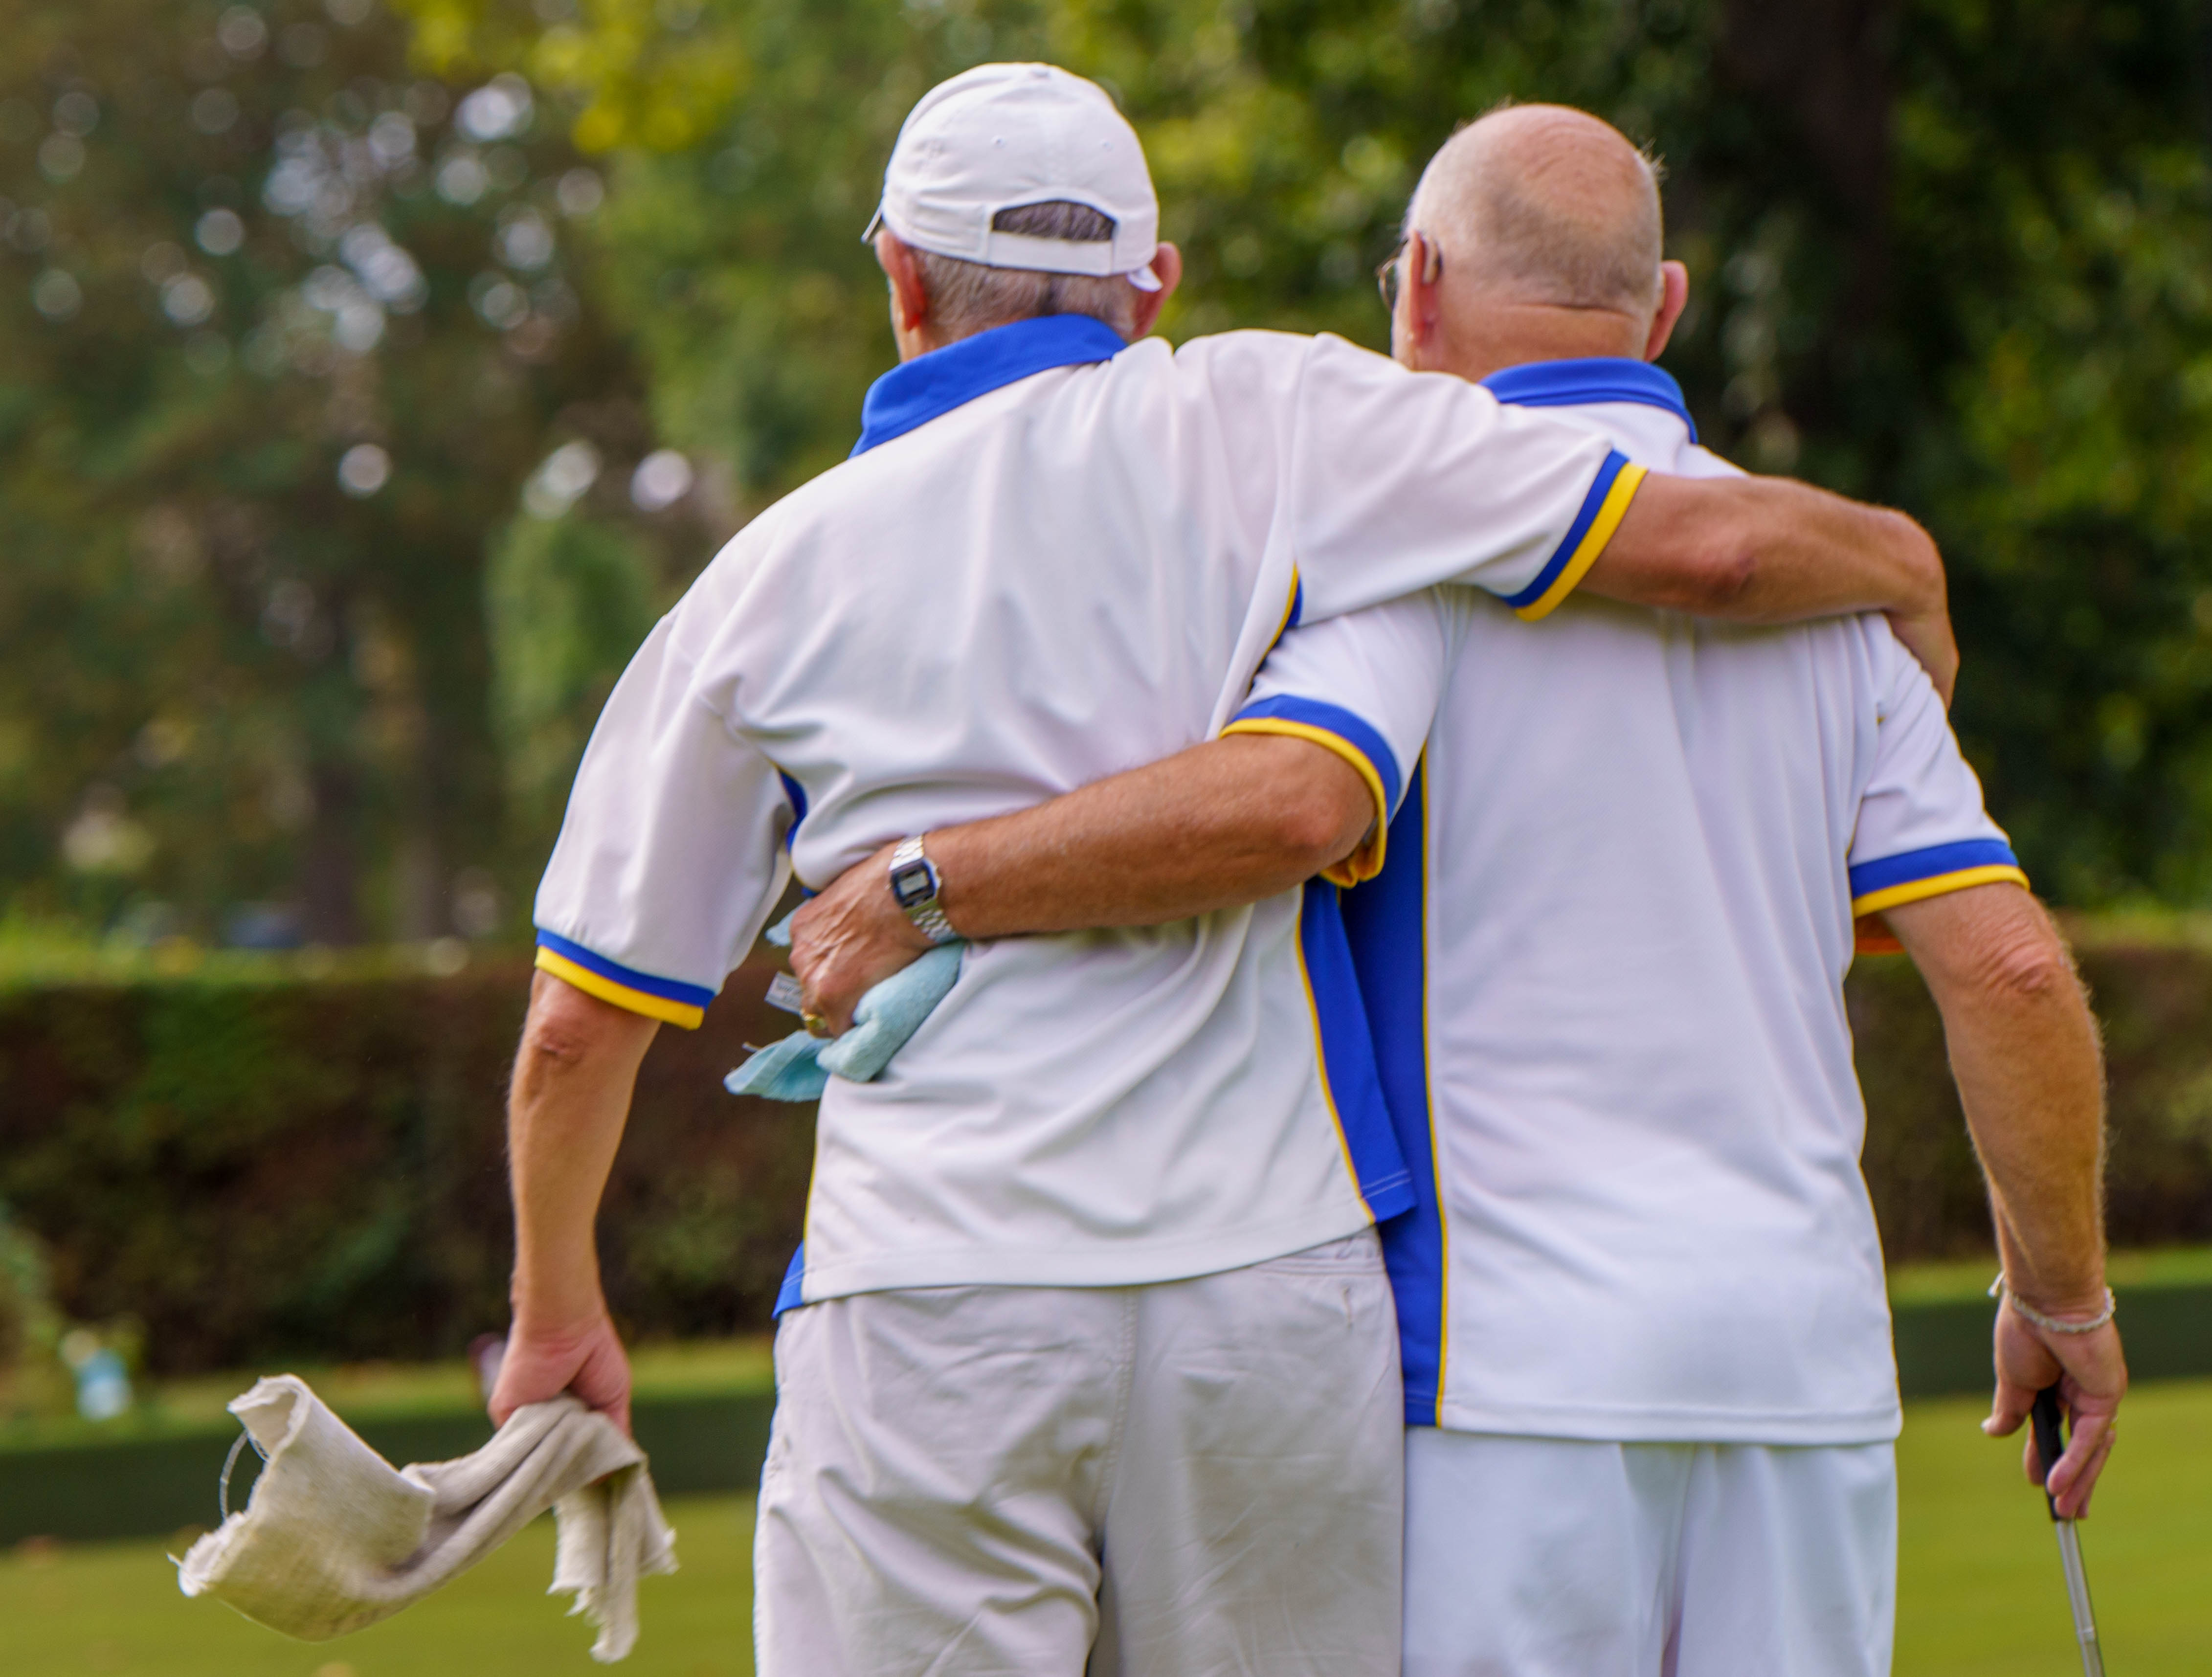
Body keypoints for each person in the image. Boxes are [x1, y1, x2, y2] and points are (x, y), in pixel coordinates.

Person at [495, 66, 1958, 1677]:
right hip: (1270, 1290)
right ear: (1152, 282)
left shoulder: (757, 581)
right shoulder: (1278, 413)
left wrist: (558, 1311)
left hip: (931, 1294)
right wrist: (1904, 563)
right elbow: (1714, 549)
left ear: (900, 278)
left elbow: (580, 1028)